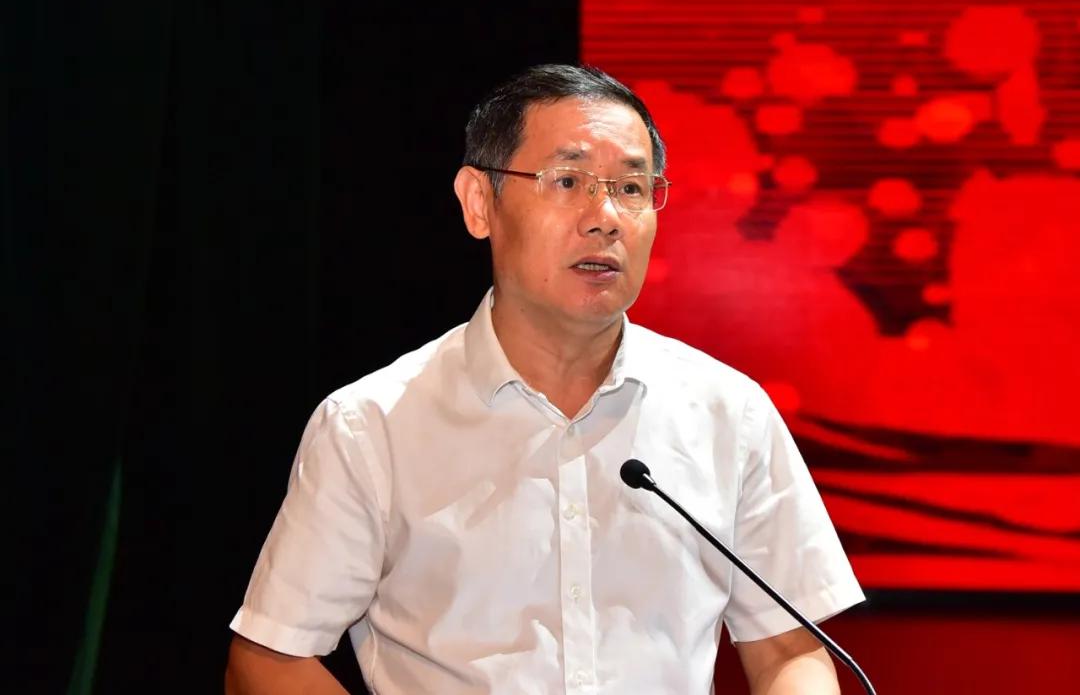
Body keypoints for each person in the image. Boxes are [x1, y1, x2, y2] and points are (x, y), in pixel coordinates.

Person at [225, 64, 864, 694]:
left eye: (631, 188)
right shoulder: (373, 426)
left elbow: (789, 650)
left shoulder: (730, 413)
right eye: (567, 181)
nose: (605, 216)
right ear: (480, 203)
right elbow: (269, 660)